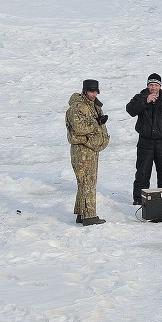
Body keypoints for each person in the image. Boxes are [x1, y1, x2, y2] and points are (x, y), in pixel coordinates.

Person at [126, 72, 162, 206]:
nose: (153, 88)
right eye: (151, 85)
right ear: (147, 86)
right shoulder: (140, 97)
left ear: (160, 86)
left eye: (156, 85)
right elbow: (130, 110)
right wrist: (145, 101)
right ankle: (139, 200)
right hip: (145, 142)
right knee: (142, 172)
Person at [66, 79, 109, 226]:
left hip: (90, 149)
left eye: (96, 91)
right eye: (91, 91)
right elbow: (79, 128)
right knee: (87, 182)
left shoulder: (93, 105)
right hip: (82, 150)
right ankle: (89, 216)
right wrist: (97, 122)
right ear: (85, 91)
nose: (94, 94)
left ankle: (81, 213)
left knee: (86, 182)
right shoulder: (78, 106)